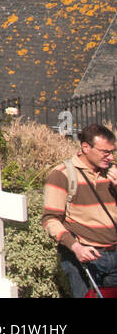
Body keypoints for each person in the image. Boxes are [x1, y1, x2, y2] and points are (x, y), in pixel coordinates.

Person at [42, 123, 117, 297]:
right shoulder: (62, 174)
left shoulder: (112, 173)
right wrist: (75, 247)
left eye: (112, 151)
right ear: (85, 147)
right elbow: (50, 220)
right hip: (85, 255)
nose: (111, 157)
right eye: (105, 152)